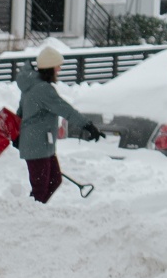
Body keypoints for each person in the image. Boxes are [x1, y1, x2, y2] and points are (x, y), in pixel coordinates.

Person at [15, 43, 103, 203]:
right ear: (49, 68)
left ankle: (35, 212)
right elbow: (65, 109)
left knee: (54, 180)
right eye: (57, 67)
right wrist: (87, 125)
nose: (59, 70)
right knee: (40, 188)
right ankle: (30, 217)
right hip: (36, 144)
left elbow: (21, 112)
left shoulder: (32, 85)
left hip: (40, 143)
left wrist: (17, 136)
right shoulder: (42, 89)